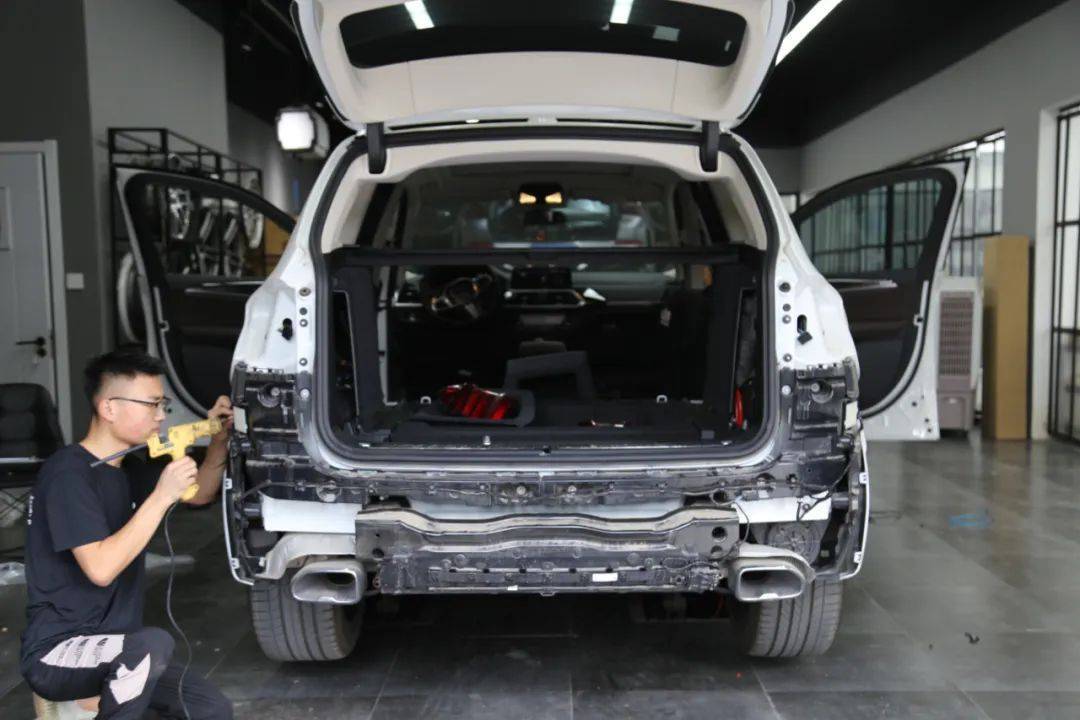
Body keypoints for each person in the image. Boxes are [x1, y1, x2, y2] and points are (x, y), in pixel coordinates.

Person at [19, 350, 234, 719]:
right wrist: (161, 496)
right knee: (151, 645)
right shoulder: (68, 474)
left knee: (209, 709)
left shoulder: (129, 471)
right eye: (152, 404)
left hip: (121, 650)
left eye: (163, 405)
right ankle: (76, 703)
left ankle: (92, 706)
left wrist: (217, 444)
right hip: (58, 650)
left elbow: (199, 493)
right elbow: (101, 569)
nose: (161, 415)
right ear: (109, 408)